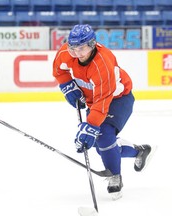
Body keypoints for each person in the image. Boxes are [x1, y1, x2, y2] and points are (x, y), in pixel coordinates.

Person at [53, 24, 153, 200]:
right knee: (103, 148)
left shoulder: (103, 64)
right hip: (96, 100)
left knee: (103, 135)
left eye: (81, 48)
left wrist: (90, 127)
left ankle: (115, 177)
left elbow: (102, 102)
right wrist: (67, 85)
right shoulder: (67, 52)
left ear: (92, 44)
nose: (77, 53)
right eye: (73, 48)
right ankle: (139, 151)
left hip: (117, 99)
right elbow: (59, 70)